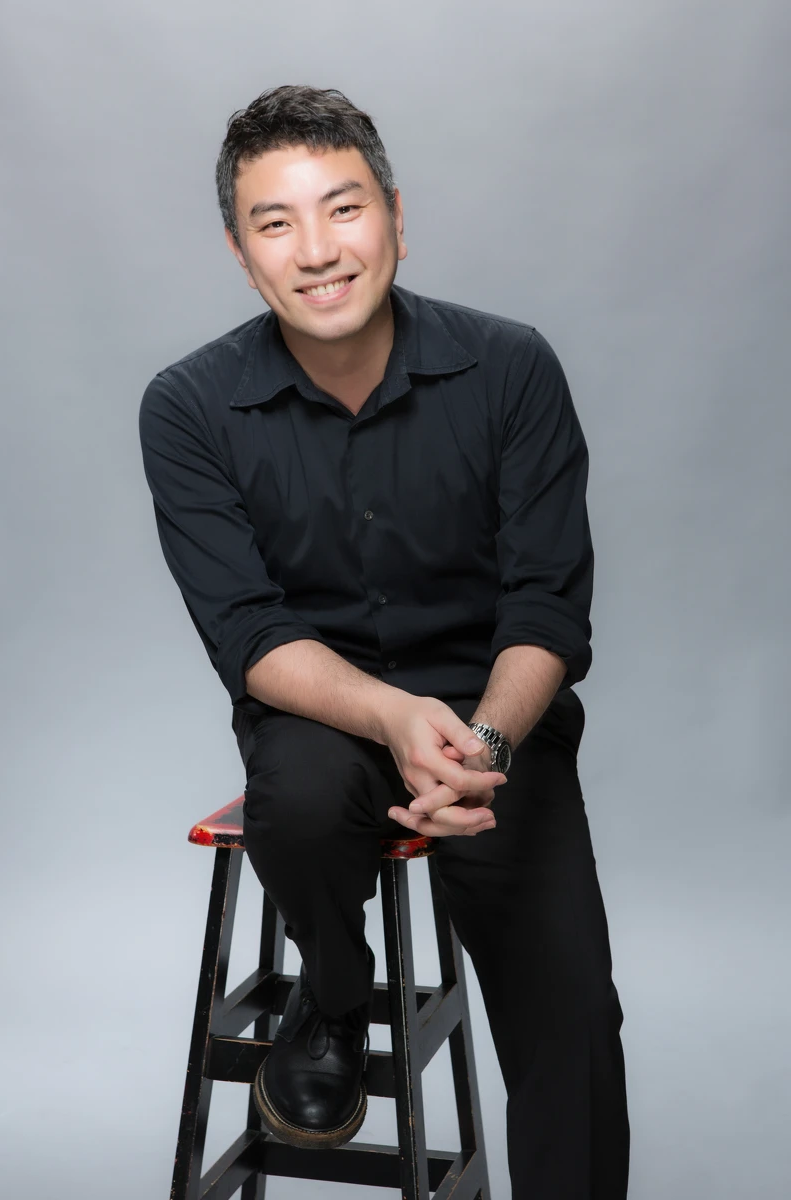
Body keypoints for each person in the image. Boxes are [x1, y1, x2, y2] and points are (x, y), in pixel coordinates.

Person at [139, 84, 630, 1197]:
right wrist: (396, 716)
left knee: (572, 1020)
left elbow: (547, 607)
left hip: (498, 721)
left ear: (397, 220)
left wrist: (482, 745)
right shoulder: (187, 406)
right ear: (242, 256)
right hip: (321, 711)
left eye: (344, 208)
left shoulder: (511, 367)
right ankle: (332, 987)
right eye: (276, 223)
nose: (316, 250)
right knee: (304, 793)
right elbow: (249, 632)